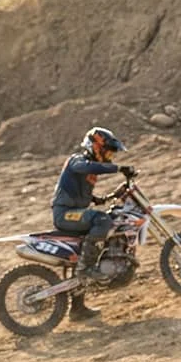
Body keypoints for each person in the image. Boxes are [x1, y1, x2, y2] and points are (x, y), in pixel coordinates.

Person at [50, 126, 133, 321]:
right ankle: (86, 269)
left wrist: (102, 198)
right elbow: (84, 167)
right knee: (101, 219)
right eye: (109, 151)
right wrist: (119, 168)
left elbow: (82, 192)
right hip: (65, 214)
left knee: (107, 219)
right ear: (96, 147)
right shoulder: (77, 160)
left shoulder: (89, 169)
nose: (110, 156)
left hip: (74, 212)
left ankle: (77, 309)